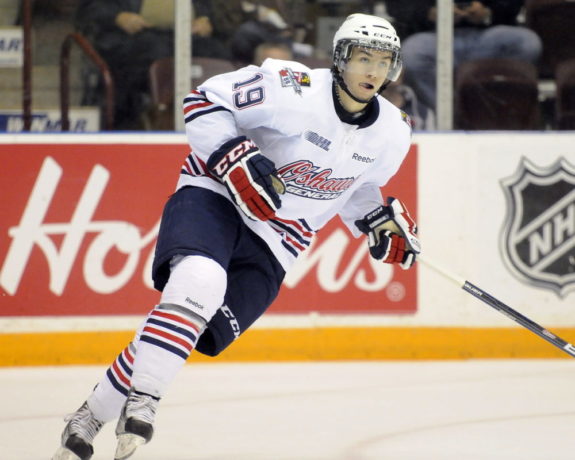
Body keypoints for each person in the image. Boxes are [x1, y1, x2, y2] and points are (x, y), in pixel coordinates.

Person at [52, 13, 420, 460]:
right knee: (200, 282)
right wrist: (232, 156)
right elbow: (203, 103)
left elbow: (357, 186)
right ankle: (144, 401)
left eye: (384, 62)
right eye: (364, 58)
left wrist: (376, 221)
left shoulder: (393, 132)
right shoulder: (292, 86)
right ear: (341, 58)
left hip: (281, 241)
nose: (374, 72)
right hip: (217, 196)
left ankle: (88, 417)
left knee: (193, 325)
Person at [75, 0, 230, 130]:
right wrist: (117, 17)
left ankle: (220, 127)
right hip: (133, 38)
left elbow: (219, 12)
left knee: (219, 54)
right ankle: (151, 121)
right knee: (155, 52)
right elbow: (88, 9)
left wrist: (207, 20)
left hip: (188, 36)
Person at [385, 0, 542, 119]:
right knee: (412, 52)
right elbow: (396, 7)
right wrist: (428, 13)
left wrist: (487, 11)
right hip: (432, 36)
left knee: (527, 43)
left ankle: (492, 111)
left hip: (487, 36)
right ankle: (445, 117)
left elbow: (513, 4)